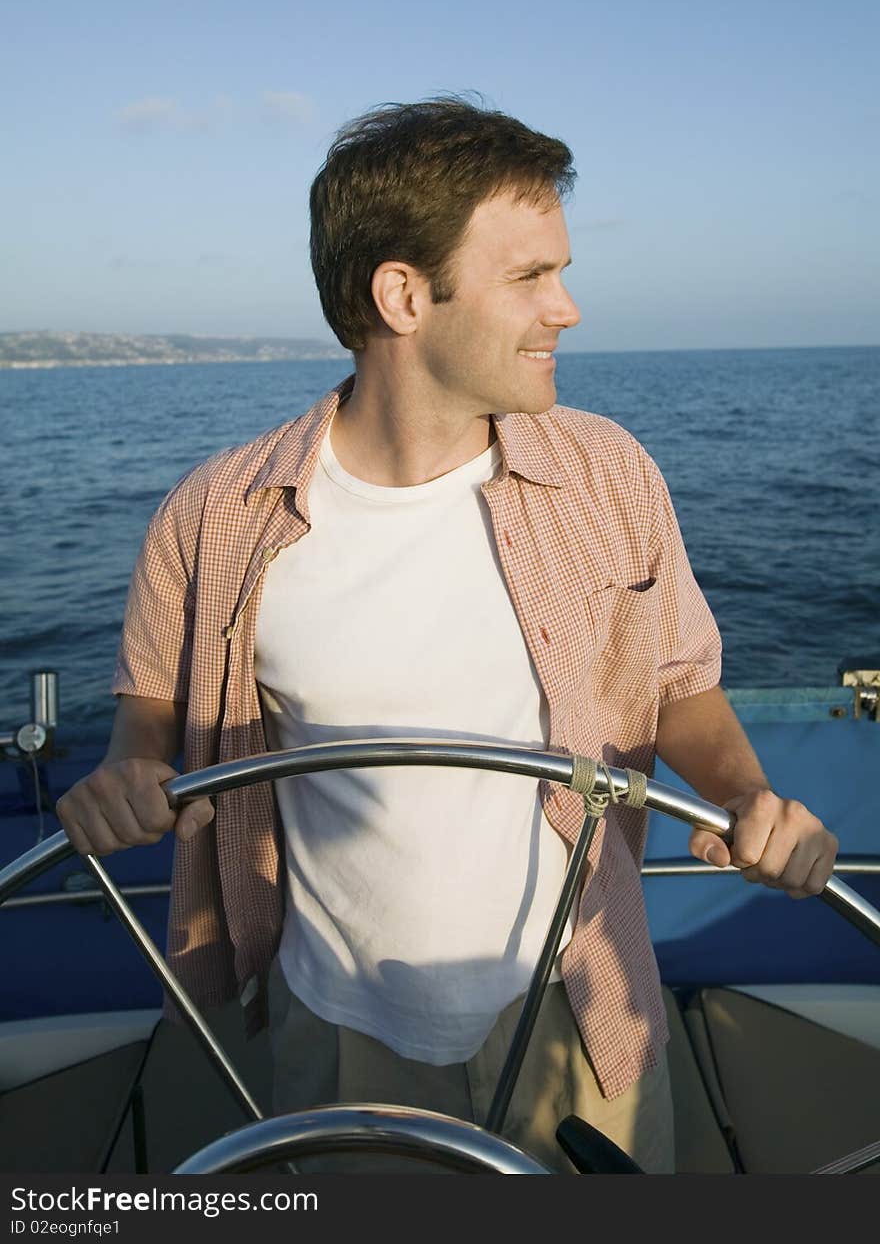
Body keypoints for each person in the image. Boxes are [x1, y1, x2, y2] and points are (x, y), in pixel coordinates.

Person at [56, 97, 839, 1174]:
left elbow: (677, 682)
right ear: (402, 294)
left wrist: (747, 796)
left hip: (584, 1009)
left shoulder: (609, 475)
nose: (566, 309)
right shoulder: (216, 515)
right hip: (334, 1036)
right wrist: (122, 774)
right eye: (529, 277)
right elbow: (152, 713)